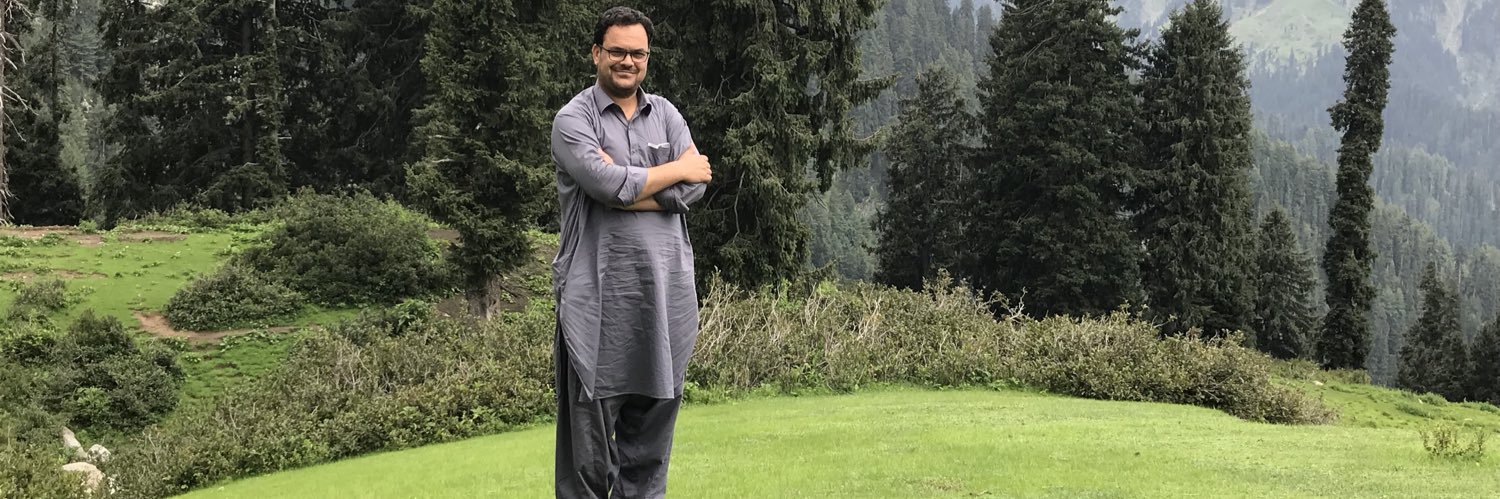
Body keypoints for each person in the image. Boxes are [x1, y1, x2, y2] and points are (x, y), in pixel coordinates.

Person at [548, 6, 712, 498]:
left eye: (637, 53)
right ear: (596, 53)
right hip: (597, 308)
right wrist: (673, 171)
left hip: (665, 306)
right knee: (588, 466)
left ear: (648, 57)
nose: (627, 61)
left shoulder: (666, 114)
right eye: (617, 51)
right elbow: (605, 184)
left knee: (649, 461)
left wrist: (627, 187)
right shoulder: (573, 119)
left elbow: (696, 186)